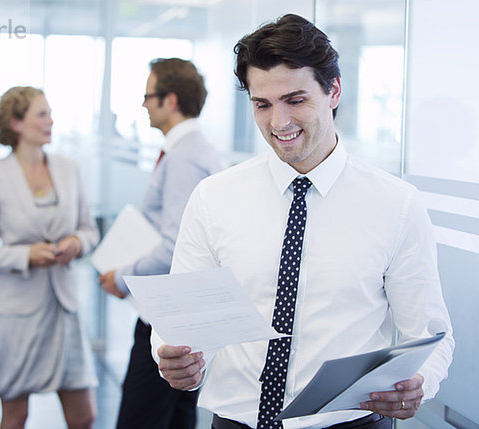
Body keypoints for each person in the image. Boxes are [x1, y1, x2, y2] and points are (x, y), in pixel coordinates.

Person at [153, 14, 454, 429]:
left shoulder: (396, 205)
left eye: (295, 100)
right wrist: (172, 355)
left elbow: (431, 334)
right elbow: (180, 321)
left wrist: (420, 381)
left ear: (334, 91)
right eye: (262, 104)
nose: (279, 123)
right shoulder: (213, 198)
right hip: (234, 422)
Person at [0, 86, 99, 429]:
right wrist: (26, 255)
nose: (51, 121)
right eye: (42, 114)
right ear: (16, 123)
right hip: (16, 314)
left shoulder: (68, 168)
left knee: (84, 416)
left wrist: (76, 243)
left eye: (50, 113)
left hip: (63, 308)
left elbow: (89, 230)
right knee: (15, 416)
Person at [98, 58, 223, 429]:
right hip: (180, 315)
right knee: (175, 419)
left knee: (140, 419)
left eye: (148, 96)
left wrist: (121, 277)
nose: (143, 105)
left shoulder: (184, 157)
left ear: (170, 100)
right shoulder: (189, 150)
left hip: (168, 320)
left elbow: (175, 247)